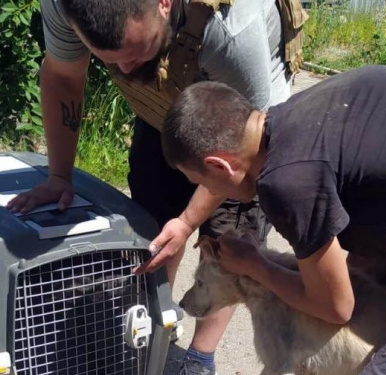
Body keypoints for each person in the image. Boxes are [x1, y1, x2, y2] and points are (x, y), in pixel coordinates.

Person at [6, 0, 308, 373]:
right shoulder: (65, 5)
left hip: (241, 127)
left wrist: (187, 222)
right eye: (109, 60)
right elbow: (64, 77)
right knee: (152, 219)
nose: (124, 71)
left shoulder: (231, 30)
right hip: (163, 108)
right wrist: (58, 177)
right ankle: (150, 333)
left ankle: (200, 358)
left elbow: (248, 153)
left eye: (135, 53)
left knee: (228, 239)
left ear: (164, 4)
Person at [156, 65, 386, 374]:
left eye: (200, 181)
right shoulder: (301, 117)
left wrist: (254, 264)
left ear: (220, 166)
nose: (204, 191)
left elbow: (336, 308)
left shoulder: (287, 182)